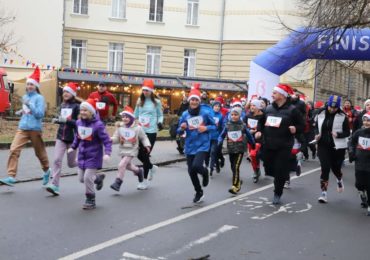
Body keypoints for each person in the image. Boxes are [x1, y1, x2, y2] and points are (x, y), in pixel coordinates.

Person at [0, 67, 51, 187]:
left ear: (36, 86)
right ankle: (11, 176)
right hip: (23, 128)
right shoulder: (25, 97)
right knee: (14, 149)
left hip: (35, 129)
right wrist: (21, 111)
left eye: (31, 85)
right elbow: (27, 110)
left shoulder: (39, 98)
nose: (29, 87)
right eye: (27, 84)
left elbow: (40, 114)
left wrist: (30, 105)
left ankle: (47, 170)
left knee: (40, 153)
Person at [255, 83, 305, 205]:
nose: (272, 95)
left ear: (282, 95)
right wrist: (259, 131)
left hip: (284, 145)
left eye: (274, 93)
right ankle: (291, 167)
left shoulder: (293, 110)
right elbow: (261, 122)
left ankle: (278, 192)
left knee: (280, 170)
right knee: (268, 166)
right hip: (269, 144)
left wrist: (295, 129)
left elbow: (302, 125)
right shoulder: (268, 109)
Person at [69, 98, 112, 209]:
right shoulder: (78, 123)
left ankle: (90, 199)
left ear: (91, 112)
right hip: (82, 156)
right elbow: (77, 138)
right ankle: (98, 178)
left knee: (87, 178)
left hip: (94, 156)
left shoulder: (98, 125)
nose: (83, 112)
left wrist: (107, 153)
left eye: (85, 110)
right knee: (81, 179)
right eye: (81, 110)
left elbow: (107, 140)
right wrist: (73, 147)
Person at [177, 84, 216, 203]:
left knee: (197, 166)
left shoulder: (205, 113)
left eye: (196, 100)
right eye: (192, 100)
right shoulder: (185, 114)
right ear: (189, 101)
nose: (194, 102)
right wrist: (182, 128)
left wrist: (206, 128)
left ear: (199, 101)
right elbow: (179, 130)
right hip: (190, 145)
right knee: (191, 171)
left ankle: (205, 173)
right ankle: (199, 191)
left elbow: (214, 126)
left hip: (202, 144)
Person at [45, 82, 80, 195]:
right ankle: (55, 185)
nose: (65, 94)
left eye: (68, 92)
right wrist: (57, 120)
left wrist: (66, 121)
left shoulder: (77, 107)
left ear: (73, 94)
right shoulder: (62, 105)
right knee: (56, 160)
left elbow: (79, 123)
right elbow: (62, 120)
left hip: (72, 139)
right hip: (61, 137)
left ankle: (87, 163)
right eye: (64, 91)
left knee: (71, 164)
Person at [314, 95, 350, 203]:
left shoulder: (343, 115)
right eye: (330, 107)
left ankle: (339, 179)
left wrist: (338, 134)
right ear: (327, 104)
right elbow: (316, 126)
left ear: (338, 107)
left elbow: (347, 132)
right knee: (325, 168)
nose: (332, 109)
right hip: (323, 145)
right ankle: (323, 193)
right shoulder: (320, 112)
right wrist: (316, 134)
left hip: (337, 147)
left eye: (334, 108)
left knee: (336, 169)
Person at [110, 106, 151, 192]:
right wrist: (110, 140)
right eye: (123, 117)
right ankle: (139, 171)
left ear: (132, 118)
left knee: (121, 165)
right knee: (128, 166)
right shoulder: (120, 127)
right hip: (123, 149)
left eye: (127, 117)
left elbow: (143, 137)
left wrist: (147, 145)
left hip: (132, 149)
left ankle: (118, 182)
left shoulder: (137, 128)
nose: (125, 119)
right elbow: (116, 138)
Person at [134, 79, 164, 189]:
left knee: (145, 154)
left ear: (151, 91)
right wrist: (133, 123)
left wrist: (160, 122)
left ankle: (144, 181)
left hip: (151, 131)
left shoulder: (156, 101)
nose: (145, 92)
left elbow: (160, 115)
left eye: (147, 90)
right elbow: (135, 115)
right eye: (144, 90)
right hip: (140, 131)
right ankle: (151, 167)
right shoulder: (139, 100)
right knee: (138, 154)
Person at [219, 106, 255, 194]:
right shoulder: (228, 125)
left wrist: (252, 144)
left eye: (236, 115)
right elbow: (222, 135)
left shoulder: (242, 125)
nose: (233, 116)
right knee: (232, 166)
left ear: (239, 115)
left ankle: (235, 186)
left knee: (236, 167)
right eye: (232, 114)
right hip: (231, 149)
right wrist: (219, 142)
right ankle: (238, 181)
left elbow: (249, 135)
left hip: (240, 149)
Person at [349, 111, 370, 216]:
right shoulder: (359, 132)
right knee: (359, 184)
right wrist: (352, 153)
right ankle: (362, 194)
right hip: (359, 161)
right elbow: (351, 142)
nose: (366, 122)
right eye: (365, 120)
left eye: (369, 121)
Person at [244, 99, 264, 183]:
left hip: (259, 140)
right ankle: (256, 171)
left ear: (258, 107)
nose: (252, 107)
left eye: (254, 105)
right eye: (251, 105)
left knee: (253, 154)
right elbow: (243, 126)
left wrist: (260, 132)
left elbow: (266, 127)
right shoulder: (248, 115)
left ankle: (257, 170)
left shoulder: (263, 116)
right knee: (253, 157)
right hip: (250, 139)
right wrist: (248, 130)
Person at [209, 99, 224, 176]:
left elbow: (222, 127)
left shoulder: (221, 116)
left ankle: (211, 168)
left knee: (213, 152)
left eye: (219, 106)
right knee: (209, 153)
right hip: (208, 137)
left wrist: (221, 136)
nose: (217, 107)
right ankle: (217, 165)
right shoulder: (209, 114)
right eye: (216, 106)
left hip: (216, 137)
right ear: (212, 107)